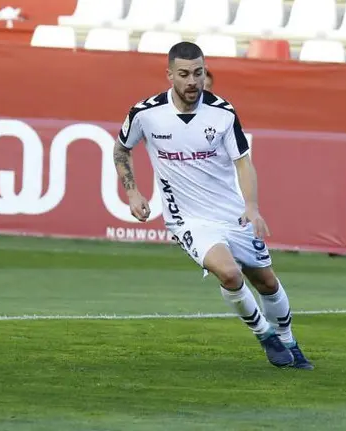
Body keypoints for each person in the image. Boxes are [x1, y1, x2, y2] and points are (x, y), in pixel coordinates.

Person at [113, 41, 313, 370]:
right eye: (184, 74)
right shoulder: (145, 114)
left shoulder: (222, 112)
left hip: (232, 213)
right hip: (188, 219)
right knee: (229, 273)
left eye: (198, 73)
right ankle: (266, 336)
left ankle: (289, 341)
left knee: (267, 282)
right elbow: (121, 149)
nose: (193, 81)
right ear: (169, 75)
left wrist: (252, 206)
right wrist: (132, 192)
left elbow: (243, 162)